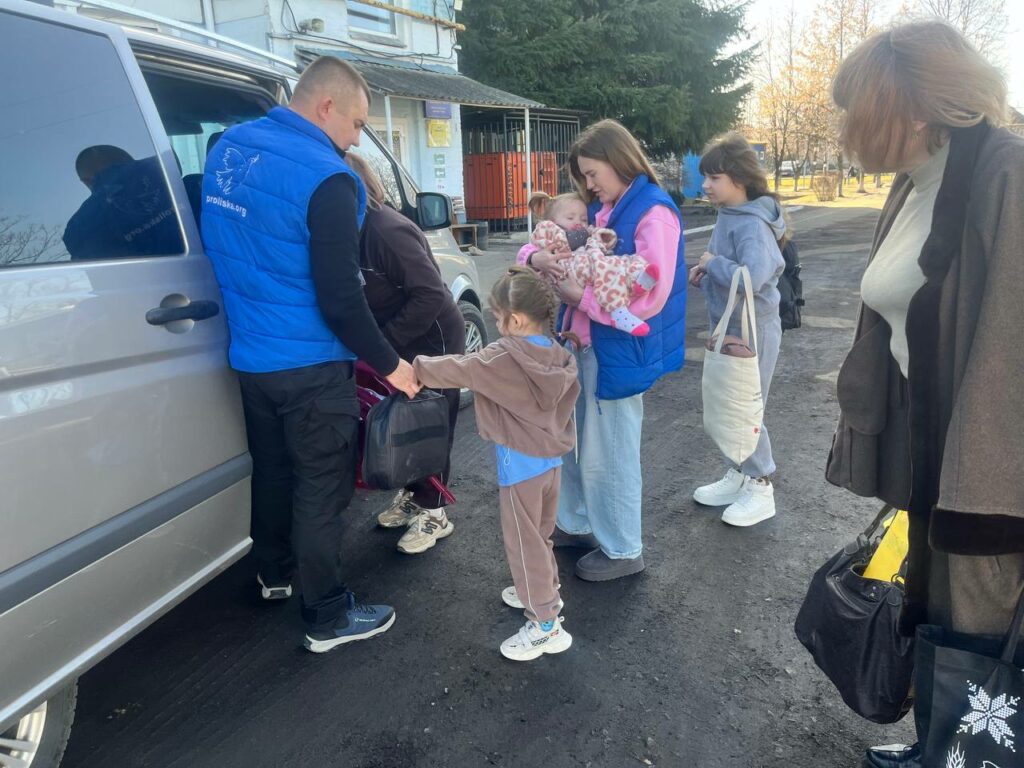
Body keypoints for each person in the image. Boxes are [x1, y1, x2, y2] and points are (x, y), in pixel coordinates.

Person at [824, 22, 1024, 766]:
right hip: (934, 447)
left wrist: (989, 490)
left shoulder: (1005, 174)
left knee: (983, 620)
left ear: (908, 108)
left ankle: (973, 756)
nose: (846, 128)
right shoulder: (917, 180)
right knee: (939, 607)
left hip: (992, 467)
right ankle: (941, 749)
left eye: (856, 108)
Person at [200, 56, 420, 654]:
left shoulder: (228, 149)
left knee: (273, 472)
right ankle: (326, 615)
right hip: (312, 367)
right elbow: (342, 300)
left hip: (251, 358)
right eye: (357, 123)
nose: (356, 139)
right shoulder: (330, 179)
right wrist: (393, 365)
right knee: (322, 488)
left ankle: (273, 574)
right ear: (326, 106)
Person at [519, 119, 686, 582]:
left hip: (616, 350)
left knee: (610, 451)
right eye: (584, 177)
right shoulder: (608, 209)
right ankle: (578, 523)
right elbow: (543, 244)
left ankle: (623, 548)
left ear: (619, 159)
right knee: (581, 443)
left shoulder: (653, 213)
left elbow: (652, 291)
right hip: (589, 345)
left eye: (593, 173)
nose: (589, 185)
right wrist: (533, 257)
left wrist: (582, 299)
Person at [412, 267, 580, 661]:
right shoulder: (556, 352)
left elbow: (459, 368)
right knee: (540, 536)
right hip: (551, 463)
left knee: (523, 544)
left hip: (520, 469)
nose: (496, 324)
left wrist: (415, 368)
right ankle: (545, 592)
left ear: (515, 320)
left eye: (498, 316)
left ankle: (544, 624)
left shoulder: (504, 356)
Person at [344, 152, 466, 555]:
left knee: (430, 420)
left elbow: (430, 294)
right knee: (403, 420)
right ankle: (415, 495)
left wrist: (382, 344)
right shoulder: (346, 232)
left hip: (433, 338)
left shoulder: (386, 231)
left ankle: (435, 511)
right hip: (397, 340)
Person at [688, 133, 788, 527]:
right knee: (730, 403)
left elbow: (754, 277)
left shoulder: (751, 223)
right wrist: (707, 271)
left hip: (754, 328)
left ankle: (760, 485)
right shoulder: (731, 214)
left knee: (746, 406)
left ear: (739, 179)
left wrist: (712, 264)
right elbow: (732, 270)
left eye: (714, 178)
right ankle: (740, 473)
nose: (705, 185)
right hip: (732, 324)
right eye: (706, 177)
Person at [527, 190, 660, 336]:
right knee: (605, 270)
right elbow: (531, 251)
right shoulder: (548, 229)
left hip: (584, 268)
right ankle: (618, 310)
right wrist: (533, 258)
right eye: (570, 218)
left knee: (619, 262)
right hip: (568, 270)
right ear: (552, 220)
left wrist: (601, 238)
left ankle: (637, 277)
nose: (578, 222)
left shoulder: (583, 238)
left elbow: (592, 244)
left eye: (584, 219)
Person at [64, 145, 181, 260]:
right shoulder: (184, 185)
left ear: (86, 181)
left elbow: (91, 270)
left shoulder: (80, 229)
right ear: (131, 161)